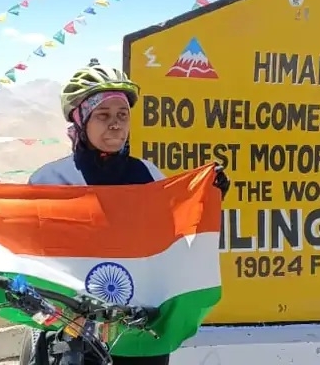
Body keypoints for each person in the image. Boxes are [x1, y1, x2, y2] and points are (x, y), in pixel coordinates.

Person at [21, 59, 230, 365]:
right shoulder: (49, 181)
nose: (115, 124)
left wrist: (208, 199)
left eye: (122, 115)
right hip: (73, 331)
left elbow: (175, 240)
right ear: (81, 120)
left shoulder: (148, 176)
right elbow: (21, 246)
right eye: (103, 115)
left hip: (139, 329)